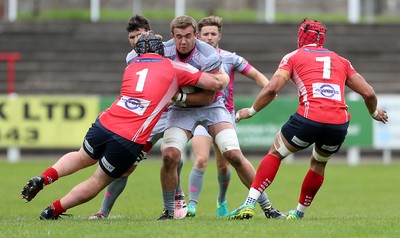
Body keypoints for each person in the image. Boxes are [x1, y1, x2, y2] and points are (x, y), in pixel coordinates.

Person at [20, 32, 229, 220]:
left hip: (105, 122)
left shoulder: (131, 66)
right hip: (129, 137)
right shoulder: (173, 67)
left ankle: (45, 176)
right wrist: (223, 75)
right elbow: (216, 83)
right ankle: (53, 210)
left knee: (81, 156)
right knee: (97, 180)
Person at [228, 18, 389, 220]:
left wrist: (250, 111)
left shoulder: (293, 57)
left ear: (301, 36)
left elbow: (271, 89)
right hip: (338, 124)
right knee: (318, 163)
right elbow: (369, 94)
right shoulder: (341, 61)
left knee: (276, 153)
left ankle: (249, 204)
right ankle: (298, 214)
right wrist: (374, 113)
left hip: (309, 118)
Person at [158, 15, 284, 220]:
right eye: (179, 37)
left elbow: (208, 95)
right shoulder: (163, 50)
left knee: (233, 155)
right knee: (169, 155)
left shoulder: (208, 54)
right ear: (172, 36)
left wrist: (179, 96)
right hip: (181, 110)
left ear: (195, 36)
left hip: (212, 106)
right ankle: (169, 211)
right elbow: (135, 61)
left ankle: (268, 207)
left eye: (188, 36)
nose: (183, 41)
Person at [89, 14, 186, 220]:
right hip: (147, 121)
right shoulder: (131, 58)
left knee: (171, 154)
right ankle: (103, 212)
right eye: (132, 37)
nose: (135, 42)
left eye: (140, 36)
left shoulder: (167, 49)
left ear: (149, 34)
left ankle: (176, 196)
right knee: (126, 167)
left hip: (174, 114)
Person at [186, 15, 274, 218]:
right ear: (198, 36)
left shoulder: (230, 58)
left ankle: (222, 201)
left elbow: (256, 75)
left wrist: (269, 88)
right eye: (205, 34)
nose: (209, 38)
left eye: (213, 34)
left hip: (222, 116)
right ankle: (191, 206)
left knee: (224, 164)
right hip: (199, 113)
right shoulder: (191, 57)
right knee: (200, 159)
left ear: (219, 36)